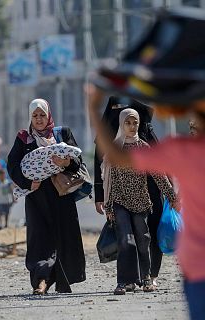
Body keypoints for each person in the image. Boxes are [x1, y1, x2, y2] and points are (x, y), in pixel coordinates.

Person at [87, 7, 205, 319]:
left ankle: (145, 276)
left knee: (145, 237)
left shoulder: (177, 149)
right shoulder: (178, 149)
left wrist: (93, 103)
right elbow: (114, 161)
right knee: (133, 238)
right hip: (195, 268)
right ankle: (130, 279)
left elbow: (121, 159)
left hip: (196, 268)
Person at [7, 98, 86, 294]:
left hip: (61, 196)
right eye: (35, 115)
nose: (39, 119)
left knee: (63, 237)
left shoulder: (61, 134)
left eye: (42, 115)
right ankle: (40, 281)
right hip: (37, 197)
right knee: (39, 238)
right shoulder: (24, 138)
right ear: (30, 117)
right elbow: (12, 166)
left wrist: (65, 163)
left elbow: (78, 162)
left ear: (49, 115)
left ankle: (61, 280)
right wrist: (28, 183)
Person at [100, 108, 178, 295]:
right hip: (119, 202)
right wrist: (109, 206)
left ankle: (146, 279)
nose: (132, 126)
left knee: (143, 240)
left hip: (141, 201)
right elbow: (109, 181)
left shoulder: (144, 147)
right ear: (121, 124)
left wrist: (172, 197)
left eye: (135, 122)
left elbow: (159, 176)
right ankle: (124, 282)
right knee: (125, 240)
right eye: (128, 122)